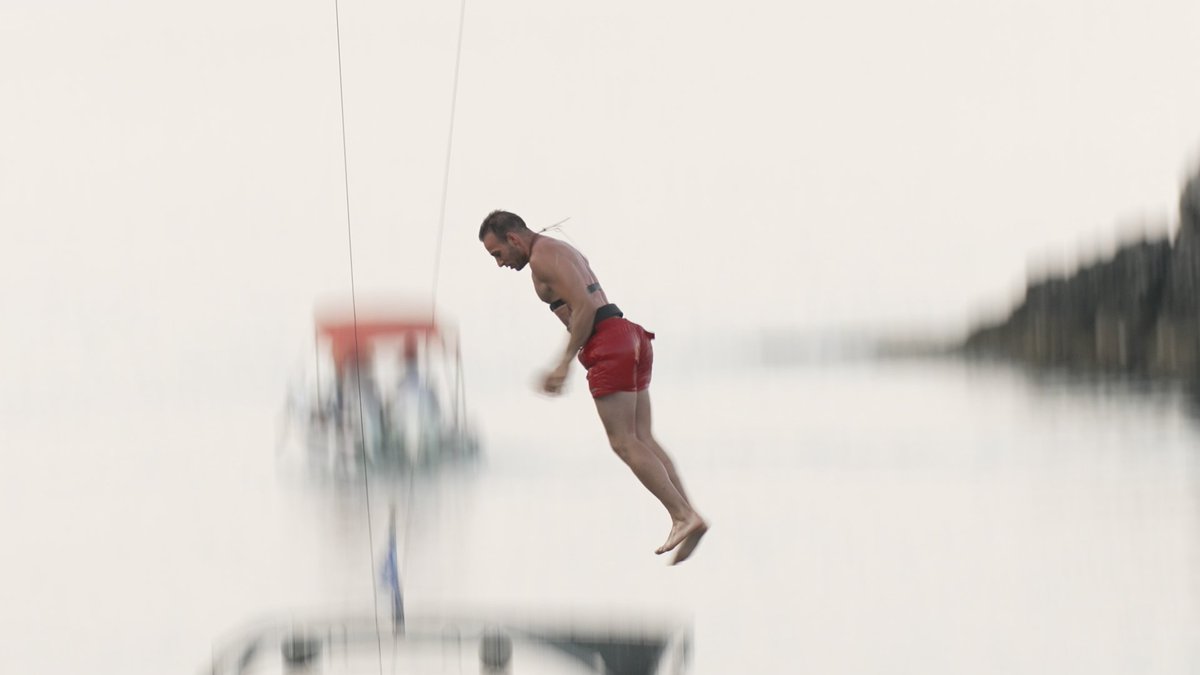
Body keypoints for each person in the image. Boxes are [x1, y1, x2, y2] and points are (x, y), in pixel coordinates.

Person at [478, 210, 707, 564]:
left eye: (497, 254)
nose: (499, 263)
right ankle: (689, 515)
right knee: (643, 437)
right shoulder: (557, 249)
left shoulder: (541, 258)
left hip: (607, 343)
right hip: (629, 336)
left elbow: (583, 307)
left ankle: (681, 514)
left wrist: (563, 363)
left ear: (513, 239)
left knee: (623, 442)